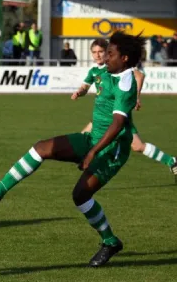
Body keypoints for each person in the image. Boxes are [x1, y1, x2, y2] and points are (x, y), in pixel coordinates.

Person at [0, 31, 145, 267]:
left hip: (111, 149)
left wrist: (93, 153)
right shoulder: (104, 72)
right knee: (42, 148)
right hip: (92, 138)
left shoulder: (126, 83)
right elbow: (92, 79)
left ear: (124, 58)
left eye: (110, 54)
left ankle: (110, 241)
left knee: (80, 196)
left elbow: (117, 125)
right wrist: (82, 90)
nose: (105, 58)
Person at [73, 39, 177, 179]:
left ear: (108, 53)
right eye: (94, 52)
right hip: (102, 116)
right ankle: (88, 170)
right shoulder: (94, 71)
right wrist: (80, 92)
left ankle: (171, 161)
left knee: (138, 146)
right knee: (84, 139)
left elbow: (139, 75)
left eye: (101, 52)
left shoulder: (116, 67)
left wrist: (136, 96)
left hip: (118, 116)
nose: (97, 55)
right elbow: (85, 87)